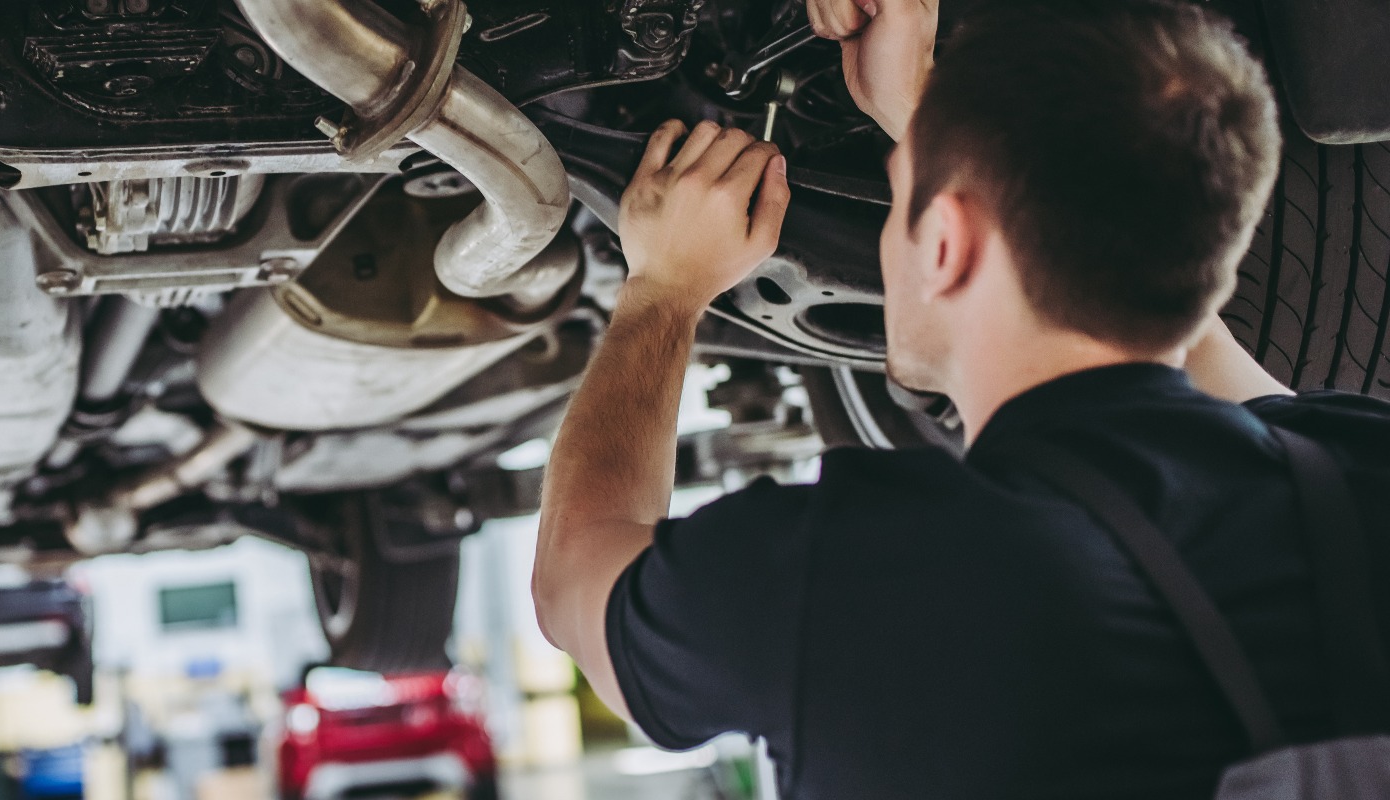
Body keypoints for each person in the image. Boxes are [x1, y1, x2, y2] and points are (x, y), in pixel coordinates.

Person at [530, 0, 1390, 798]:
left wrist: (664, 288)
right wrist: (927, 123)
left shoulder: (850, 574)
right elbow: (1186, 325)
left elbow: (575, 584)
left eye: (899, 198)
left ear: (945, 240)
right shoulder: (1358, 474)